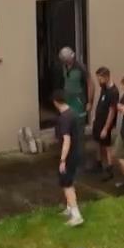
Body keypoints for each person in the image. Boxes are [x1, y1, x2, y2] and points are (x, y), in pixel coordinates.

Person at [50, 89, 84, 227]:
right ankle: (69, 208)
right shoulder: (73, 113)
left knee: (67, 184)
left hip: (69, 155)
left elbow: (66, 140)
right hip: (76, 152)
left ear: (55, 103)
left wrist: (63, 160)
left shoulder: (64, 118)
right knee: (69, 180)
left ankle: (76, 216)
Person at [89, 65, 118, 177]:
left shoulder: (113, 92)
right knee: (98, 142)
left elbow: (112, 111)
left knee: (106, 144)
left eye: (100, 79)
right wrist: (95, 117)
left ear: (106, 77)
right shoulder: (104, 88)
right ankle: (98, 163)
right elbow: (101, 103)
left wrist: (106, 128)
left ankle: (110, 168)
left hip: (106, 122)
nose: (99, 81)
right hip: (99, 120)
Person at [58, 47, 89, 122]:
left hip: (78, 99)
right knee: (68, 120)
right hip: (67, 99)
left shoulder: (81, 67)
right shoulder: (64, 67)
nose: (66, 62)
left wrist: (90, 102)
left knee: (78, 121)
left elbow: (91, 84)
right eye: (64, 61)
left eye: (67, 60)